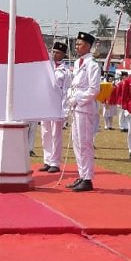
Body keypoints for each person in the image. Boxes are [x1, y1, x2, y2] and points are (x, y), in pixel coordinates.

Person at [65, 32, 100, 192]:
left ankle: (87, 178)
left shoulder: (92, 64)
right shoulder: (79, 63)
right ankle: (82, 174)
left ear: (87, 46)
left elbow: (94, 90)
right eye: (76, 44)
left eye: (79, 44)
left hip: (85, 108)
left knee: (85, 143)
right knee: (77, 143)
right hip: (76, 108)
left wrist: (78, 99)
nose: (76, 46)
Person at [39, 41, 70, 174]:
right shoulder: (47, 67)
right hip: (46, 105)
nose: (55, 54)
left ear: (63, 54)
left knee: (55, 134)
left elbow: (67, 91)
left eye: (58, 52)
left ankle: (55, 162)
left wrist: (66, 109)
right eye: (54, 51)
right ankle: (47, 160)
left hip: (58, 106)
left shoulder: (66, 71)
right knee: (45, 133)